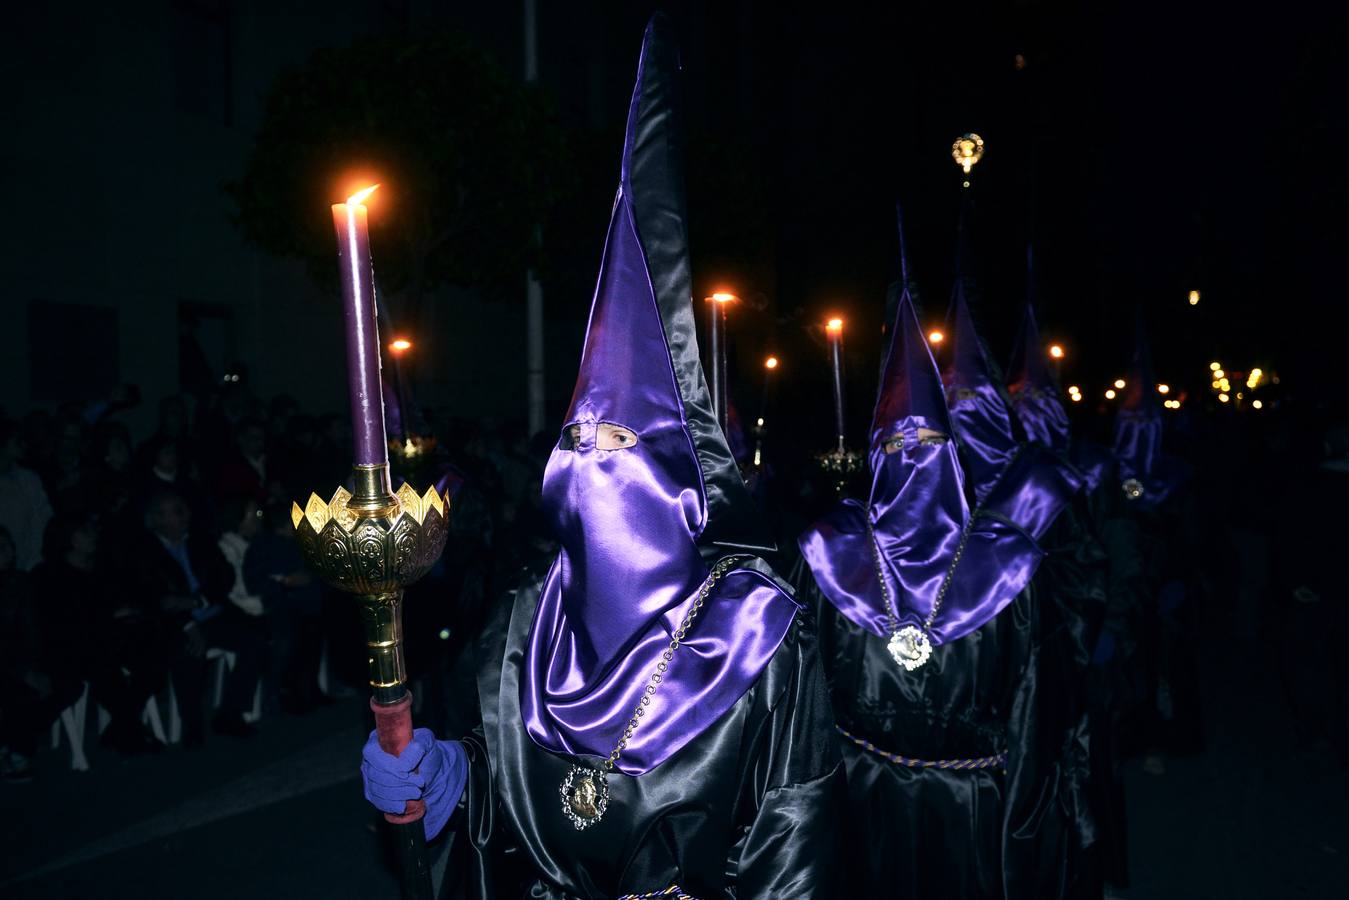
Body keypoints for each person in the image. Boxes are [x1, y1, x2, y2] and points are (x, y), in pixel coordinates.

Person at [359, 18, 843, 897]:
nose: (588, 460)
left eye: (617, 442)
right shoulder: (522, 624)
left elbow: (792, 852)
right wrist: (441, 779)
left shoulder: (765, 638)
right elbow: (496, 794)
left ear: (682, 490)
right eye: (575, 439)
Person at [794, 271, 1096, 899]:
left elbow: (1035, 712)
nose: (914, 453)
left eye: (929, 440)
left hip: (972, 809)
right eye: (898, 442)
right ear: (875, 453)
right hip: (859, 800)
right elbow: (801, 699)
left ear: (953, 455)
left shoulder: (1007, 566)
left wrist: (1031, 829)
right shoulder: (829, 553)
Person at [125, 487, 266, 744]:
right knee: (188, 652)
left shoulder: (200, 540)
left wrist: (198, 600)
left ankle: (230, 713)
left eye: (184, 510)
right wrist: (188, 623)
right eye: (177, 512)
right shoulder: (143, 551)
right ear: (157, 518)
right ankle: (192, 725)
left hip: (211, 612)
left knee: (254, 639)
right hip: (173, 625)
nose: (185, 516)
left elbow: (224, 576)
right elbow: (153, 598)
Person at [0, 419, 54, 572]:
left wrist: (33, 564)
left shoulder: (29, 480)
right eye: (18, 441)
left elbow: (42, 522)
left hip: (25, 568)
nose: (24, 445)